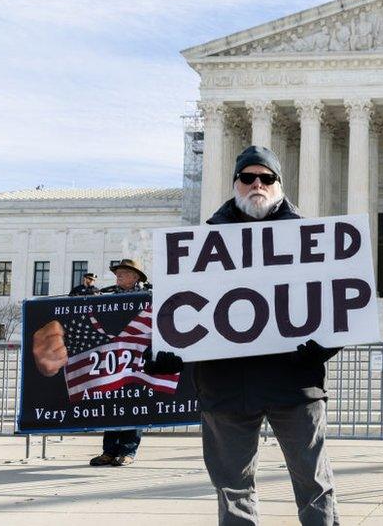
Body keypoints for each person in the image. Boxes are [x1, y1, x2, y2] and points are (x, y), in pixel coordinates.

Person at [146, 145, 340, 525]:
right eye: (248, 177)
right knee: (233, 491)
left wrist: (325, 347)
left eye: (266, 178)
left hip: (294, 385)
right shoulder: (204, 241)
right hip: (226, 387)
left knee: (314, 485)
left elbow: (335, 307)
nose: (257, 185)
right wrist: (169, 349)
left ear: (278, 184)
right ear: (235, 182)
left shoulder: (310, 238)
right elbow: (178, 308)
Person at [86, 259, 149, 466]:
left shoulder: (147, 297)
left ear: (135, 276)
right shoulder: (109, 297)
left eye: (123, 273)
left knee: (133, 403)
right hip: (114, 358)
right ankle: (109, 451)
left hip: (136, 359)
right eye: (117, 273)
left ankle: (128, 451)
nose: (118, 276)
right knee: (113, 402)